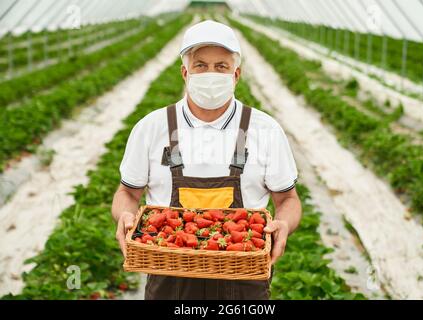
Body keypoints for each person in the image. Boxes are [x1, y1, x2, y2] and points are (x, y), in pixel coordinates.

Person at [111, 20, 302, 300]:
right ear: (184, 72)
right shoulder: (151, 128)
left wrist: (284, 224)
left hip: (243, 278)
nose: (210, 73)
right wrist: (125, 215)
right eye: (200, 65)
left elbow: (288, 200)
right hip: (168, 278)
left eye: (221, 66)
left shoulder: (265, 130)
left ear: (236, 74)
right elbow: (127, 192)